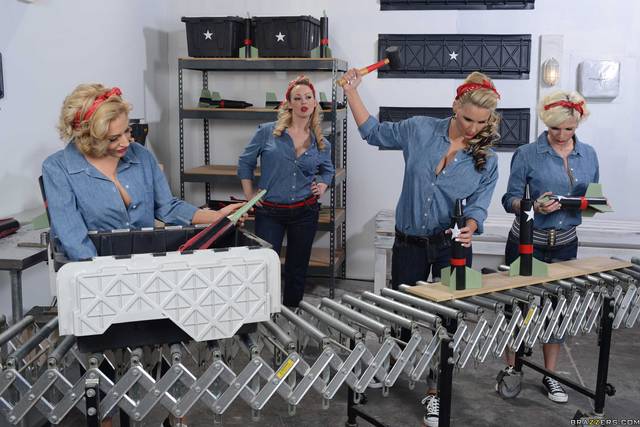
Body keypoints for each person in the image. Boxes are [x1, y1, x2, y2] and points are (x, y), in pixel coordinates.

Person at [341, 69, 500, 427]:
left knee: (448, 321)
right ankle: (397, 365)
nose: (473, 128)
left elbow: (478, 206)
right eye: (468, 119)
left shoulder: (488, 160)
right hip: (409, 242)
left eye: (481, 122)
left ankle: (434, 391)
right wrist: (351, 92)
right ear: (455, 106)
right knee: (402, 313)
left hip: (451, 246)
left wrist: (471, 227)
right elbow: (373, 133)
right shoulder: (419, 129)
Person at [42, 83, 244, 260]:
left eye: (127, 130)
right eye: (113, 138)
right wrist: (104, 278)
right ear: (88, 138)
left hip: (145, 265)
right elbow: (73, 238)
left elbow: (167, 207)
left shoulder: (140, 155)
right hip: (95, 274)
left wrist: (216, 216)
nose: (125, 142)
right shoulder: (58, 168)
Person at [500, 91, 599, 403]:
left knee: (557, 311)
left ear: (577, 125)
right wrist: (534, 207)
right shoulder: (527, 153)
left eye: (569, 128)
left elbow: (592, 200)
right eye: (556, 128)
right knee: (517, 309)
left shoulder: (589, 155)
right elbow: (509, 200)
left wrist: (588, 203)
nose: (562, 134)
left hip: (566, 245)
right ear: (546, 123)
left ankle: (551, 375)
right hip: (527, 243)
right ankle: (512, 370)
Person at [238, 75, 335, 308]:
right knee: (265, 266)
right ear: (289, 103)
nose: (303, 102)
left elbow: (328, 169)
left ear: (314, 103)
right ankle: (265, 313)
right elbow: (245, 162)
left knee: (297, 267)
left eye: (308, 97)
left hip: (305, 212)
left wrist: (322, 184)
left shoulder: (321, 142)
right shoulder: (267, 132)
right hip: (270, 212)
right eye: (297, 98)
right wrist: (249, 195)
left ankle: (292, 313)